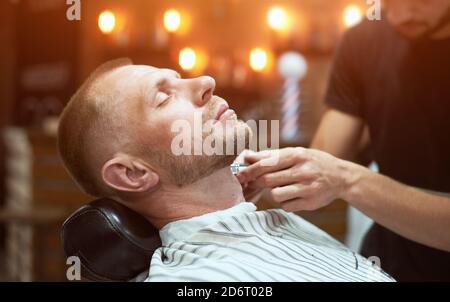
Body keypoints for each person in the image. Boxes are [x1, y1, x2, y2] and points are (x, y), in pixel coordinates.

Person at [57, 59, 394, 282]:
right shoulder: (194, 280)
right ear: (133, 174)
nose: (206, 81)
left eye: (179, 79)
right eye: (163, 98)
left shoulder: (276, 221)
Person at [237, 0, 450, 281]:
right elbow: (323, 160)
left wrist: (347, 180)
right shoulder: (364, 41)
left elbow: (337, 175)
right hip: (387, 264)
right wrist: (260, 175)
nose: (402, 14)